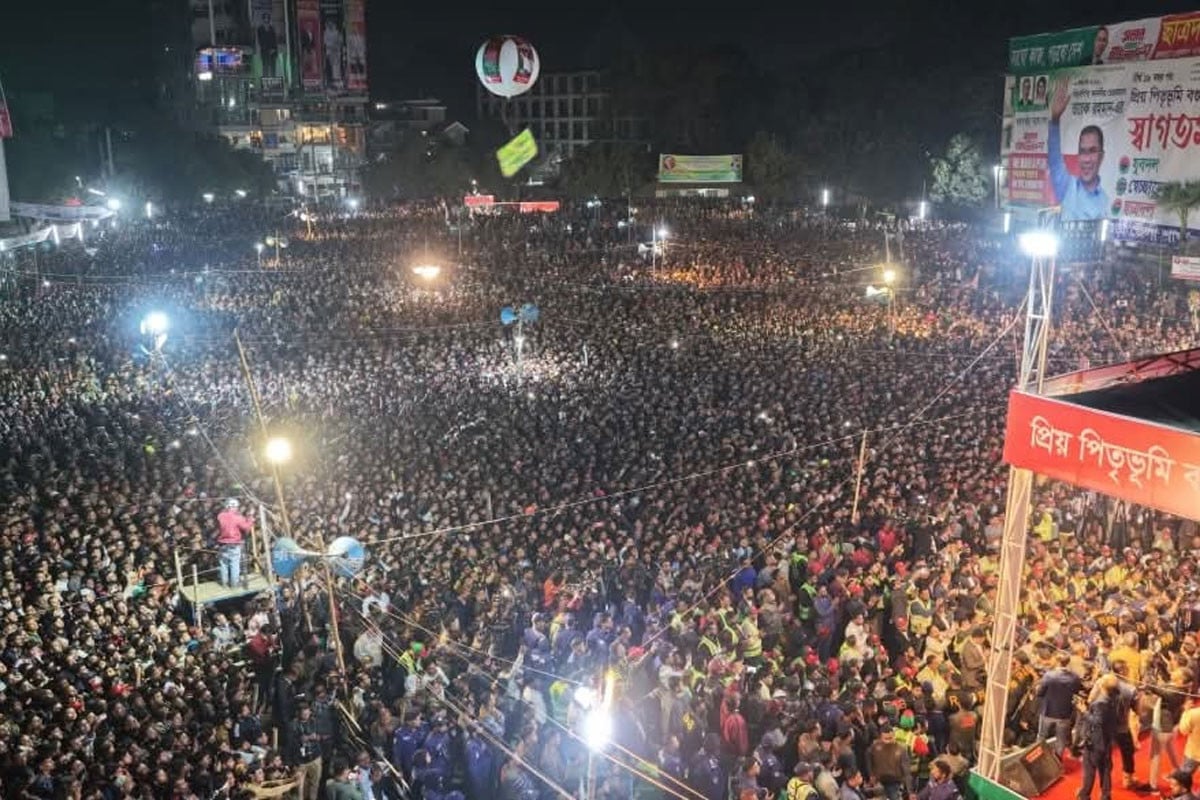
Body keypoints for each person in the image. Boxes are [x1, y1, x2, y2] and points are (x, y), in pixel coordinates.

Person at [1048, 78, 1109, 221]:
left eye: (1092, 151)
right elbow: (1054, 160)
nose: (1087, 159)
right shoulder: (1067, 186)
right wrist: (1055, 119)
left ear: (1101, 156)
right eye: (1083, 151)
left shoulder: (1106, 200)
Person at [1078, 675, 1121, 800]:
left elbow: (1097, 721)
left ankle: (1084, 795)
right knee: (1105, 770)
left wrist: (1083, 711)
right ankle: (1105, 795)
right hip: (1107, 740)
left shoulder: (1100, 702)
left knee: (1089, 770)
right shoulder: (1116, 697)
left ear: (1102, 685)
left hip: (1095, 742)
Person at [1036, 653, 1081, 757]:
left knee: (1041, 737)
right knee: (1061, 740)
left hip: (1048, 711)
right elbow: (1077, 691)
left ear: (1057, 661)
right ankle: (1058, 761)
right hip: (1065, 713)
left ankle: (1039, 759)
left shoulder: (1049, 675)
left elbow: (1040, 693)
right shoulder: (1075, 677)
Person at [216, 498, 254, 587]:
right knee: (234, 564)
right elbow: (246, 528)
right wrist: (250, 518)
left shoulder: (220, 516)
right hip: (234, 544)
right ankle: (234, 584)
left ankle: (224, 583)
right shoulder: (238, 517)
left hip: (222, 544)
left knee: (223, 565)